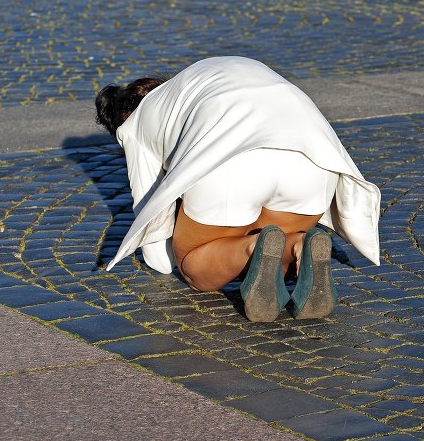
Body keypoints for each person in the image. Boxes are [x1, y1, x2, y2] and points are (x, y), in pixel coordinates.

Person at [98, 56, 382, 322]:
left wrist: (168, 257)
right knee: (273, 246)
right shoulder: (196, 78)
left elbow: (151, 210)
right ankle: (300, 244)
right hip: (314, 160)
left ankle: (253, 247)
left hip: (233, 164)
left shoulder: (133, 125)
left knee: (196, 268)